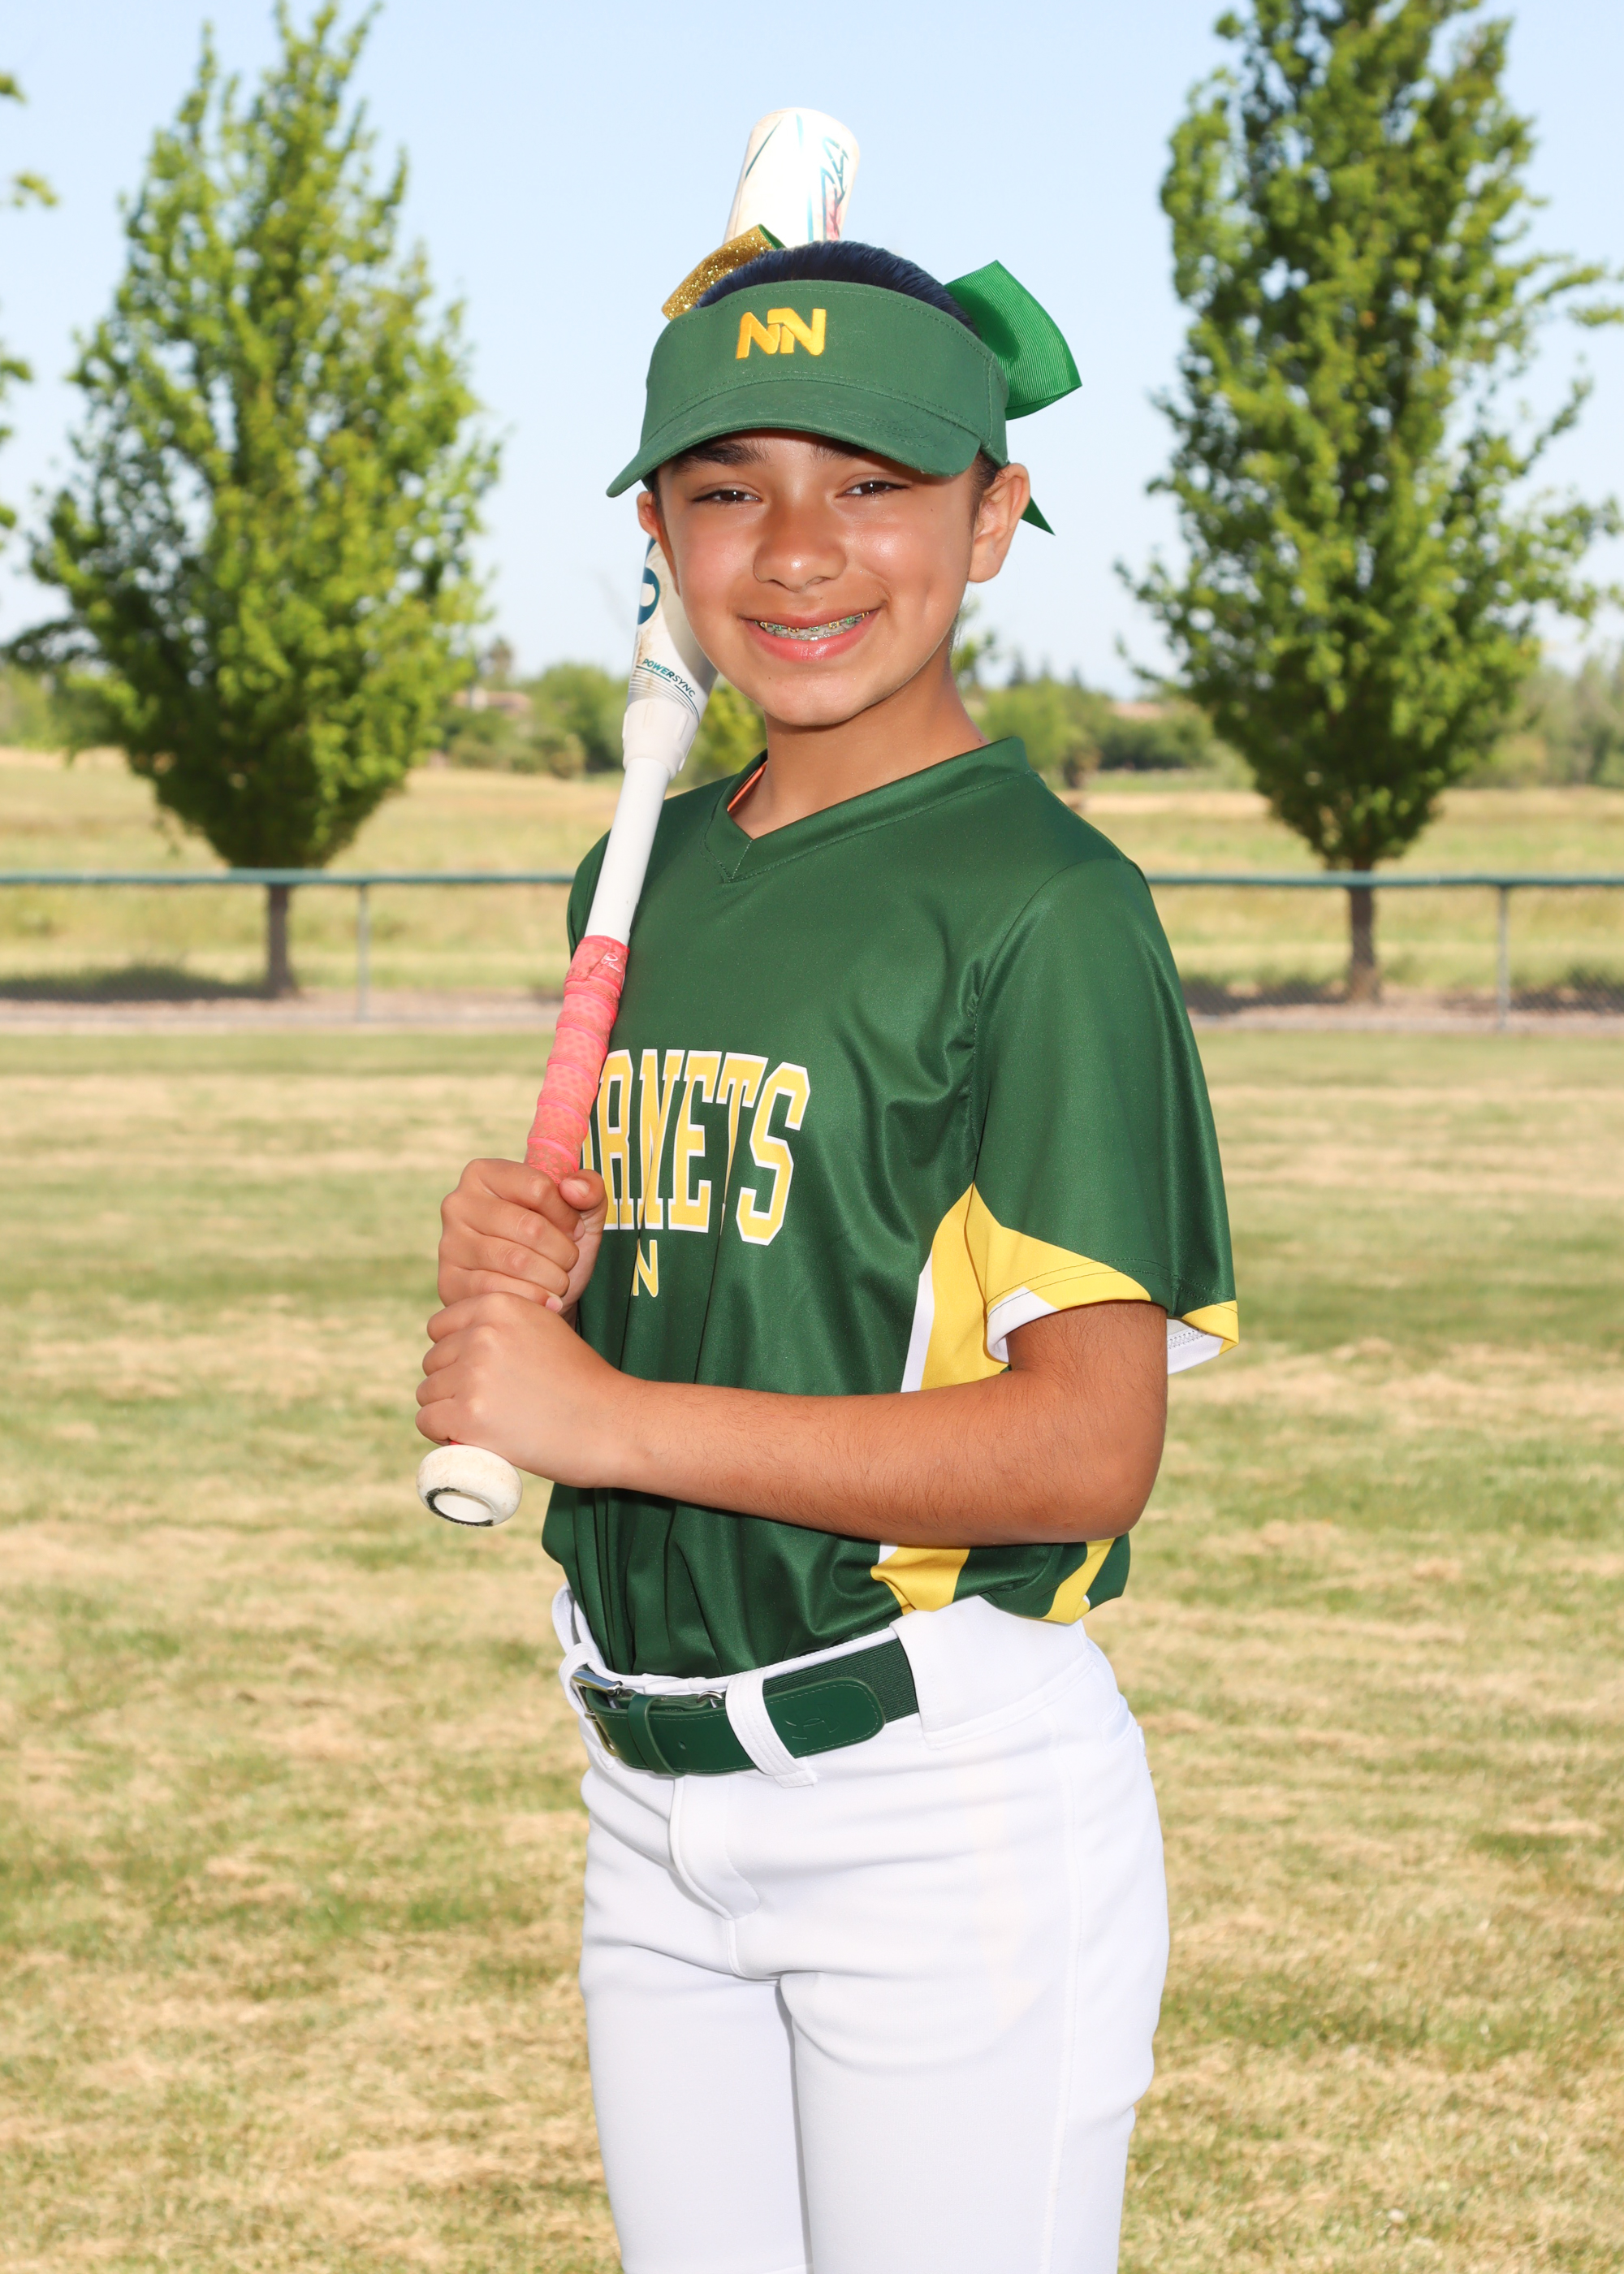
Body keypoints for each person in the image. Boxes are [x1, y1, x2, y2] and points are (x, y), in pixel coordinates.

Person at [417, 240, 1237, 2274]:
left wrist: (602, 1412)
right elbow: (762, 1276)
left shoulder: (1044, 906)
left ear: (993, 512)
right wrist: (541, 1260)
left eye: (872, 481)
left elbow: (1083, 1450)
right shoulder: (645, 871)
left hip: (932, 1803)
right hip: (646, 1786)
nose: (796, 550)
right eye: (729, 488)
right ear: (656, 531)